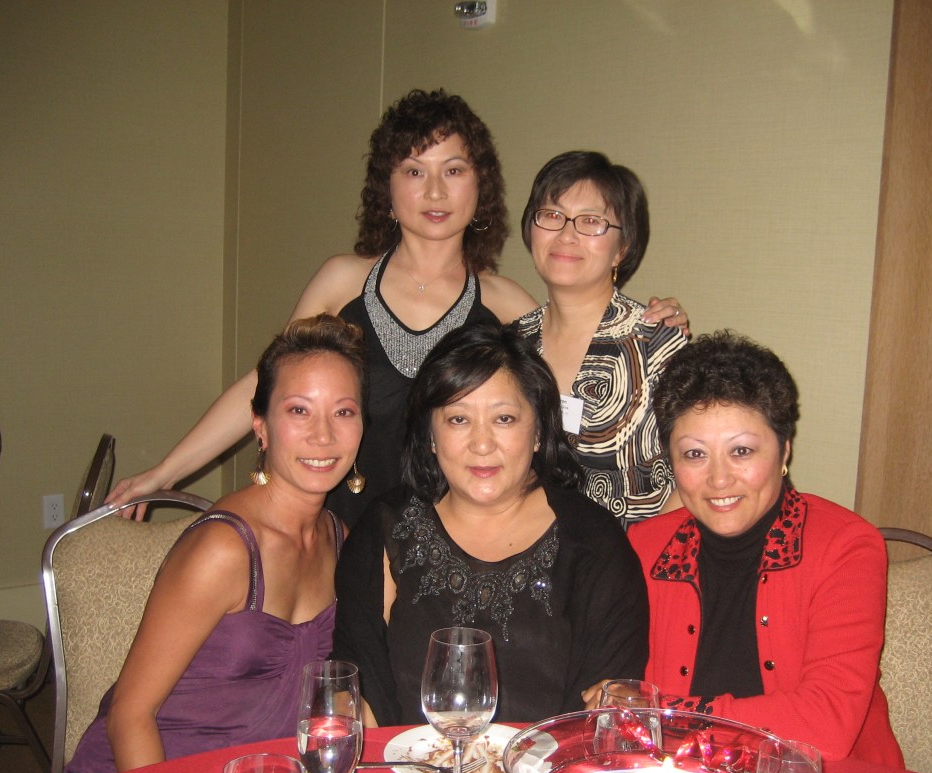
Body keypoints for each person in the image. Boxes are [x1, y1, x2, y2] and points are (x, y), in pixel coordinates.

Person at [108, 91, 684, 527]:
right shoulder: (342, 282)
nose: (434, 192)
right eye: (414, 171)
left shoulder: (508, 305)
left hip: (457, 546)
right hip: (339, 532)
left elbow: (572, 379)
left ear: (479, 187)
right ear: (387, 188)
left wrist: (650, 320)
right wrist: (164, 473)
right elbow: (265, 387)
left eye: (453, 170)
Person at [65, 315, 365, 773]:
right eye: (299, 411)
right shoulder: (224, 548)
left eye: (343, 412)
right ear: (261, 427)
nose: (323, 435)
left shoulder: (339, 538)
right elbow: (130, 715)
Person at [332, 322, 649, 725]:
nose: (482, 444)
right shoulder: (383, 529)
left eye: (504, 418)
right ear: (430, 435)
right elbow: (356, 692)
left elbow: (606, 710)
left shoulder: (595, 543)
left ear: (538, 430)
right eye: (458, 420)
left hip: (550, 766)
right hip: (404, 762)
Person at [624, 331, 904, 765]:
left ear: (784, 451)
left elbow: (825, 727)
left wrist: (667, 714)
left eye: (741, 451)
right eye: (695, 454)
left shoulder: (845, 547)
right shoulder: (644, 548)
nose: (719, 479)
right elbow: (614, 700)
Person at [516, 150, 689, 527]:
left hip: (634, 551)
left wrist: (640, 554)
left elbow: (696, 471)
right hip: (530, 550)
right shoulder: (512, 345)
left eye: (591, 221)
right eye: (552, 215)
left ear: (622, 249)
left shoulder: (656, 344)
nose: (566, 235)